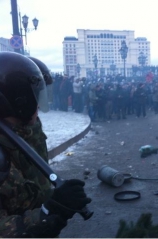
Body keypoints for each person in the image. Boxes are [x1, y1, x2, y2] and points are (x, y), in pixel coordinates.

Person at [0, 52, 91, 237]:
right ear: (20, 100)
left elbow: (30, 183)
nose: (39, 107)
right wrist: (45, 214)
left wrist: (55, 201)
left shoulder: (23, 131)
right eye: (35, 97)